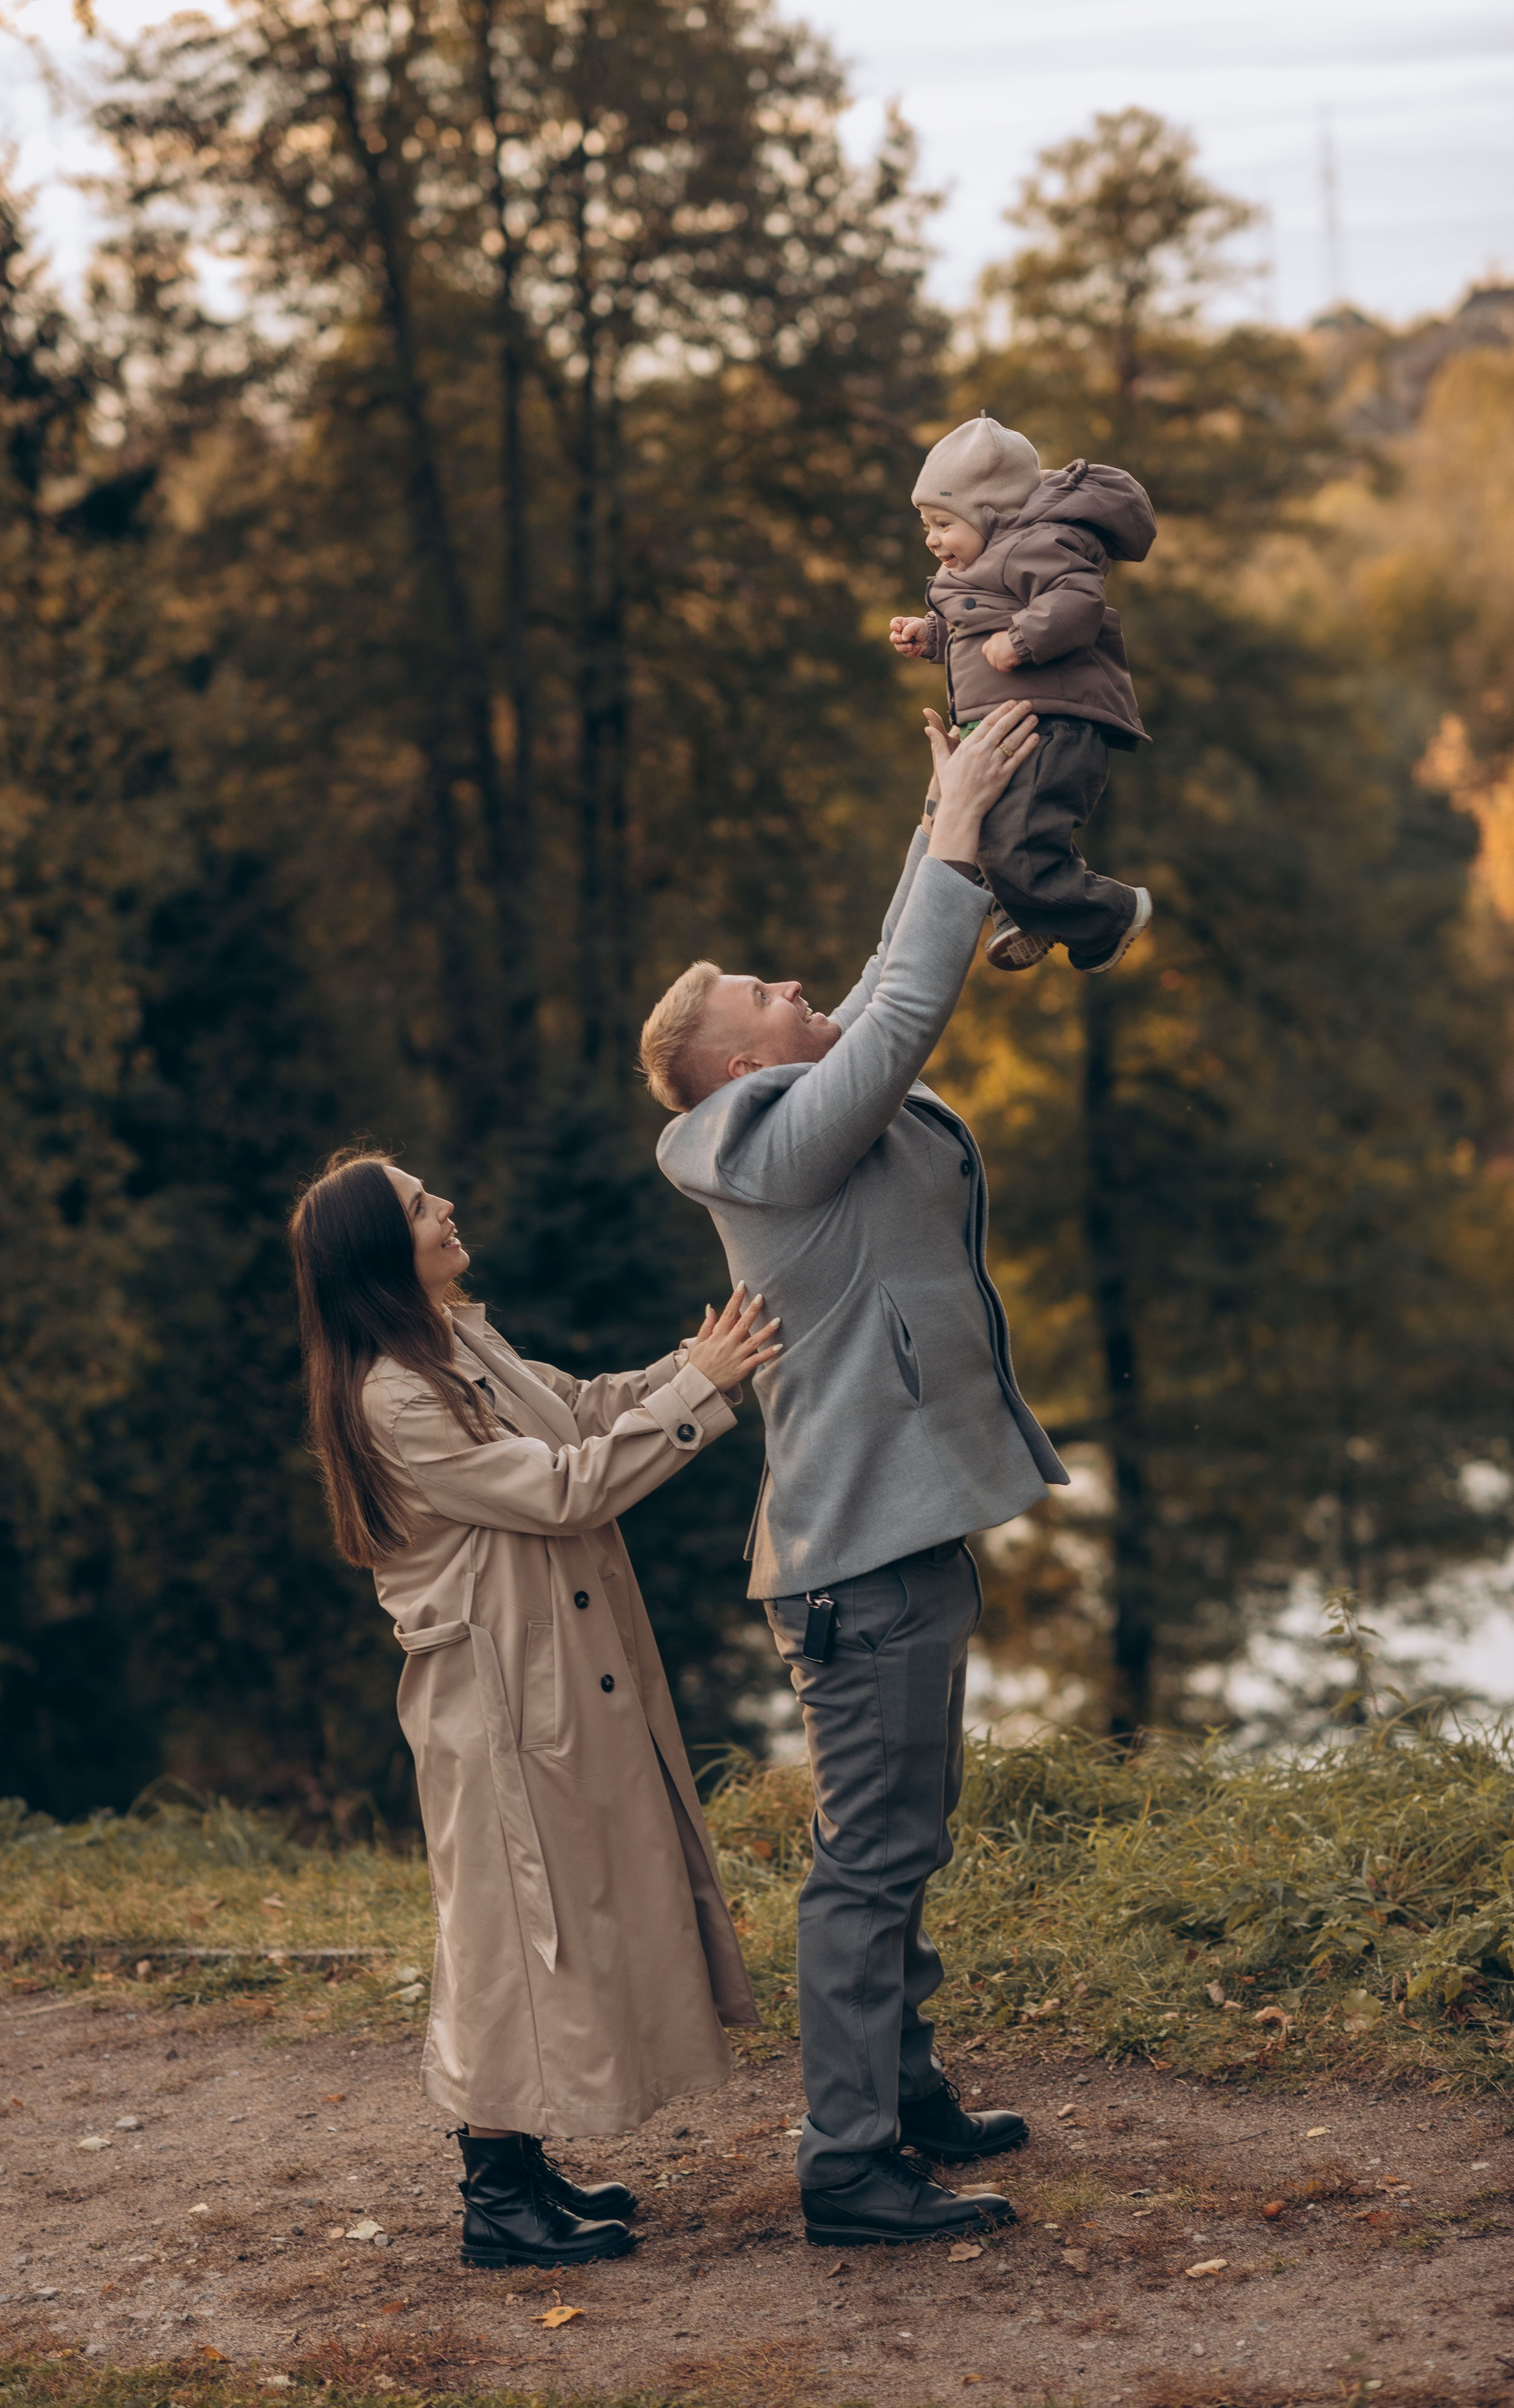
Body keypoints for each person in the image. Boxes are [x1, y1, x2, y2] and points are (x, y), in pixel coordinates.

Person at [638, 701, 1065, 2249]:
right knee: (866, 1858)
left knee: (901, 1834)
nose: (797, 982)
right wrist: (947, 828)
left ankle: (902, 2089)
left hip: (893, 1536)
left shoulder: (801, 1120)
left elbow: (889, 980)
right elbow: (897, 1012)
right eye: (770, 990)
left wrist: (943, 804)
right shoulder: (758, 1147)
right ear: (734, 1062)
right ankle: (849, 2160)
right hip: (855, 1560)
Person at [289, 1148, 779, 2269]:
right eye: (420, 1205)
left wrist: (703, 1362)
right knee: (508, 1936)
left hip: (544, 1677)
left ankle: (523, 2170)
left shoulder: (457, 1340)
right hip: (494, 1701)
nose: (448, 1204)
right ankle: (495, 2198)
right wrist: (700, 1391)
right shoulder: (393, 1394)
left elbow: (579, 1412)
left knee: (543, 1924)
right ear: (379, 1248)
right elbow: (563, 1489)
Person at [889, 412, 1156, 975]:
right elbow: (982, 624)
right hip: (1008, 727)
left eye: (944, 523)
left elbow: (1078, 601)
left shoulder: (1036, 545)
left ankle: (1109, 914)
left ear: (993, 514)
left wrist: (1024, 640)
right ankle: (1019, 913)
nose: (934, 539)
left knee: (1015, 842)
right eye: (926, 527)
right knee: (974, 827)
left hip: (1052, 726)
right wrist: (931, 634)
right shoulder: (982, 564)